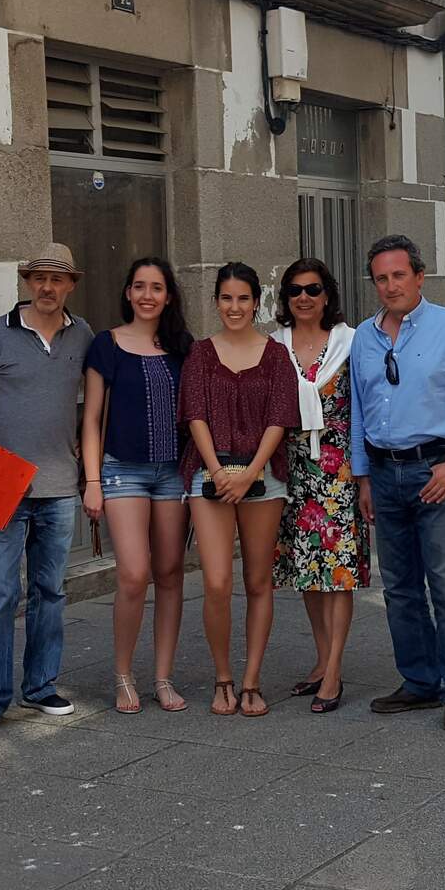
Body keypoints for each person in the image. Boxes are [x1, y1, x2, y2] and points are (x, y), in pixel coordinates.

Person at [350, 235, 445, 734]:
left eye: (399, 275)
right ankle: (419, 681)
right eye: (381, 278)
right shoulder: (365, 339)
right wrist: (363, 476)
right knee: (399, 589)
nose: (390, 285)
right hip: (384, 473)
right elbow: (358, 412)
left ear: (419, 276)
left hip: (436, 470)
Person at [0, 243, 95, 738]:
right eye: (38, 278)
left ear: (71, 286)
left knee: (51, 591)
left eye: (57, 280)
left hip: (59, 486)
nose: (47, 287)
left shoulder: (83, 336)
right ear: (27, 282)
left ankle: (40, 686)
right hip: (1, 485)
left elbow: (92, 406)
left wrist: (88, 460)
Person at [178, 261, 300, 718]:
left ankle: (251, 681)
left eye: (243, 298)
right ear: (216, 302)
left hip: (262, 477)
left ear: (257, 302)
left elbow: (281, 417)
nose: (235, 307)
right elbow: (194, 415)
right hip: (207, 475)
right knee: (215, 581)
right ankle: (222, 677)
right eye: (226, 298)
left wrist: (250, 471)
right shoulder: (201, 354)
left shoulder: (274, 356)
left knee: (257, 580)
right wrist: (217, 470)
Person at [81, 258, 194, 714]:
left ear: (168, 296)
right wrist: (92, 482)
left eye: (158, 287)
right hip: (120, 470)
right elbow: (90, 420)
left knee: (169, 574)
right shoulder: (105, 345)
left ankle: (163, 677)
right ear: (128, 293)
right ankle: (123, 675)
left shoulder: (184, 348)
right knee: (132, 574)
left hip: (172, 472)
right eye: (140, 287)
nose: (148, 295)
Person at [271, 258, 369, 714]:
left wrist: (365, 473)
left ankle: (334, 671)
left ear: (327, 294)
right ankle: (320, 659)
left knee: (338, 572)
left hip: (339, 470)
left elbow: (365, 411)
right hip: (291, 471)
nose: (304, 298)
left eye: (312, 289)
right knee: (308, 571)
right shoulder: (274, 346)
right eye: (294, 291)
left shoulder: (352, 342)